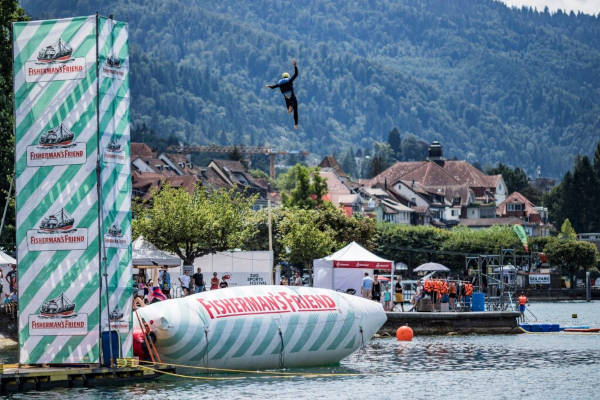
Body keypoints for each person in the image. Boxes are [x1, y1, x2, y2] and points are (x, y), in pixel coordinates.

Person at [266, 60, 299, 129]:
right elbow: (296, 74)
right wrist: (295, 66)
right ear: (287, 76)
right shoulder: (289, 80)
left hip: (286, 95)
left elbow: (273, 87)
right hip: (291, 94)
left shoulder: (280, 82)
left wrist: (269, 86)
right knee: (295, 107)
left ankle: (289, 108)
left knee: (288, 102)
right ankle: (295, 124)